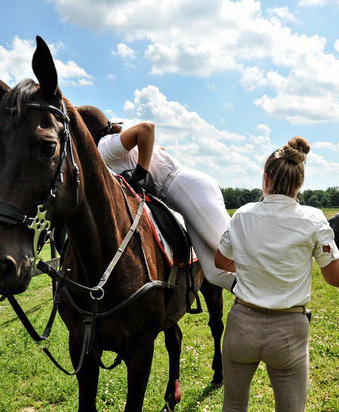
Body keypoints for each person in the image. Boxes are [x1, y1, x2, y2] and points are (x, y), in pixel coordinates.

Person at [211, 137, 339, 412]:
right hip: (288, 331)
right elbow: (336, 279)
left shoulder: (243, 215)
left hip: (242, 325)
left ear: (266, 179)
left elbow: (222, 260)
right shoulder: (313, 219)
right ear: (299, 184)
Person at [76, 105, 236, 290]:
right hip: (179, 193)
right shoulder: (110, 145)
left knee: (231, 252)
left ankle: (273, 298)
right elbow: (159, 147)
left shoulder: (104, 147)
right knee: (214, 272)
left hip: (184, 188)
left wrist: (140, 172)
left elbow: (147, 128)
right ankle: (256, 300)